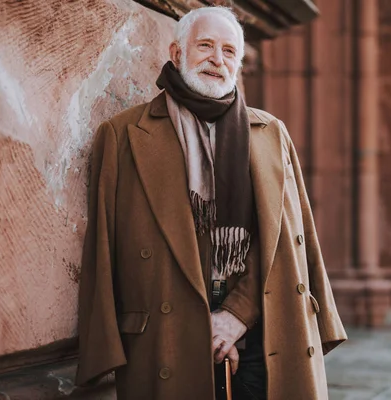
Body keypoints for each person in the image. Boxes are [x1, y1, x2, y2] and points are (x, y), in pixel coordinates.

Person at [75, 6, 347, 400]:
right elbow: (102, 250)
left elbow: (287, 241)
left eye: (229, 51)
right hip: (167, 340)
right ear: (177, 53)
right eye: (205, 46)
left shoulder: (270, 134)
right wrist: (103, 348)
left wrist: (237, 314)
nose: (218, 60)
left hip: (264, 335)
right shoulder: (123, 135)